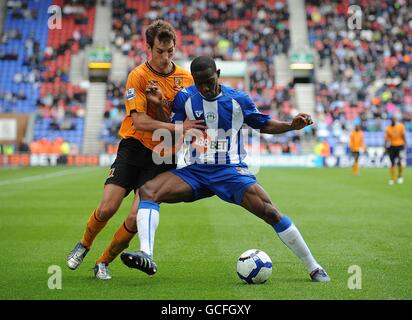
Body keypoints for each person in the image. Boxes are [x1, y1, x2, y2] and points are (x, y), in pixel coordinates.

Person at [120, 56, 330, 282]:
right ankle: (147, 254)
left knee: (270, 211)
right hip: (196, 171)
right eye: (199, 83)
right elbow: (173, 129)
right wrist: (159, 104)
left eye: (209, 81)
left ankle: (314, 266)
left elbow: (264, 124)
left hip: (230, 171)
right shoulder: (185, 98)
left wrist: (291, 126)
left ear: (218, 74)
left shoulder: (238, 99)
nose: (205, 87)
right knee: (148, 190)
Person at [66, 20, 204, 280]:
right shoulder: (138, 76)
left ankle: (103, 262)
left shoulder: (185, 79)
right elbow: (140, 122)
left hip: (164, 155)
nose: (165, 58)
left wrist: (161, 105)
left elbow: (172, 119)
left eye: (170, 51)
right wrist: (177, 125)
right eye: (160, 51)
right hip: (134, 146)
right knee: (108, 207)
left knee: (135, 217)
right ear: (148, 48)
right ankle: (84, 245)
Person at [384, 118, 406, 185]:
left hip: (400, 146)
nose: (393, 121)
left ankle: (400, 176)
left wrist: (405, 144)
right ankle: (393, 178)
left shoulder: (400, 126)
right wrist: (385, 148)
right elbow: (386, 139)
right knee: (392, 163)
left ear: (396, 121)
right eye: (392, 120)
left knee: (399, 161)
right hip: (392, 147)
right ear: (390, 121)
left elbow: (403, 136)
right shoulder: (388, 128)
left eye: (394, 120)